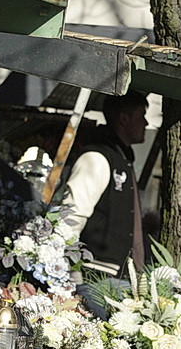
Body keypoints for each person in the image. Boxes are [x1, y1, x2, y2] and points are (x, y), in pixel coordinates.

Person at [60, 92, 149, 275]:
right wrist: (70, 272)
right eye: (142, 116)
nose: (146, 124)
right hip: (95, 274)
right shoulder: (96, 158)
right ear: (124, 119)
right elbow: (72, 216)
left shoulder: (122, 157)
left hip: (118, 274)